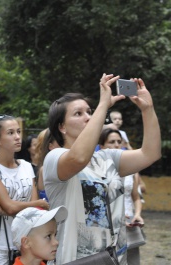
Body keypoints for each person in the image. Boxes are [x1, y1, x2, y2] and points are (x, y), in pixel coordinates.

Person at [43, 74, 161, 264]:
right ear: (62, 127)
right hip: (76, 260)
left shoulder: (107, 157)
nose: (88, 117)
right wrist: (103, 105)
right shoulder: (54, 158)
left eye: (89, 111)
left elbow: (150, 153)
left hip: (115, 258)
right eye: (78, 114)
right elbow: (79, 158)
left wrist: (148, 109)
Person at [0, 114, 49, 265]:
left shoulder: (26, 165)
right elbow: (12, 207)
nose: (17, 137)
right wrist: (38, 204)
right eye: (10, 133)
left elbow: (33, 210)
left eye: (18, 132)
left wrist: (5, 210)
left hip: (24, 244)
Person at [99, 128, 144, 265]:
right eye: (111, 142)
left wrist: (137, 214)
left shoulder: (132, 170)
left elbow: (135, 198)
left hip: (129, 225)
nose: (117, 145)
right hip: (106, 228)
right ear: (102, 146)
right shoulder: (96, 171)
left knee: (132, 261)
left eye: (119, 141)